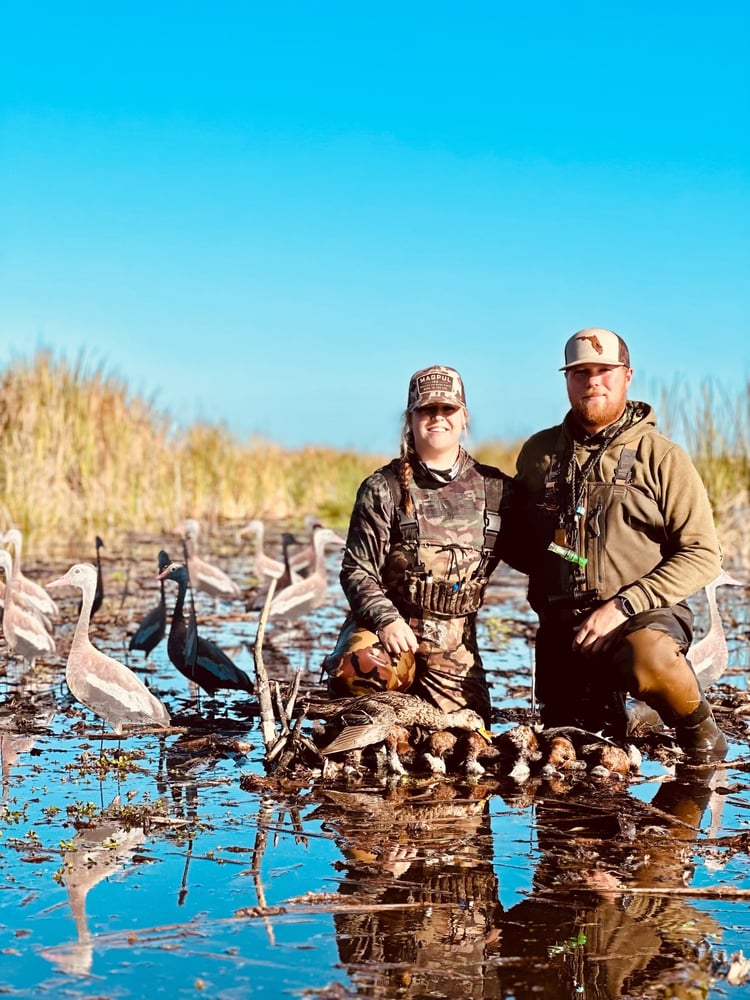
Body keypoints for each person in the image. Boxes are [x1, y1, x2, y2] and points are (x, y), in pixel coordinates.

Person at [513, 326, 727, 763]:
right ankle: (637, 715)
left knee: (647, 659)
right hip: (565, 633)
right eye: (580, 372)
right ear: (567, 380)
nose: (592, 381)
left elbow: (704, 553)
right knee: (570, 762)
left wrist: (623, 605)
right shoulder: (538, 453)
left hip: (641, 619)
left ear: (627, 375)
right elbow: (525, 546)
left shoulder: (663, 456)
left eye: (603, 371)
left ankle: (703, 736)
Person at [324, 364, 516, 726]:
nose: (438, 418)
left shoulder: (497, 490)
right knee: (362, 670)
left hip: (453, 645)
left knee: (468, 735)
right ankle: (358, 719)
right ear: (410, 418)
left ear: (464, 418)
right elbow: (356, 571)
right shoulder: (383, 488)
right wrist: (386, 621)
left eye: (448, 410)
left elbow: (543, 555)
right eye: (427, 410)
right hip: (391, 634)